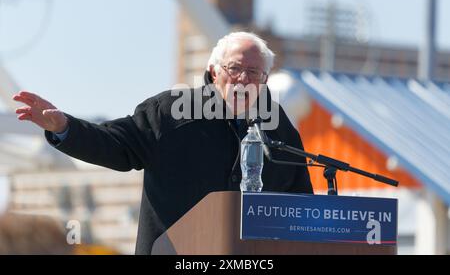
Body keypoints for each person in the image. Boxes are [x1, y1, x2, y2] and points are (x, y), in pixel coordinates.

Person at [13, 32, 313, 255]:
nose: (242, 79)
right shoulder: (171, 111)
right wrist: (65, 127)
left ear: (264, 80)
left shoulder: (277, 125)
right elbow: (117, 144)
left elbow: (299, 202)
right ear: (213, 72)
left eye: (253, 72)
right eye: (234, 69)